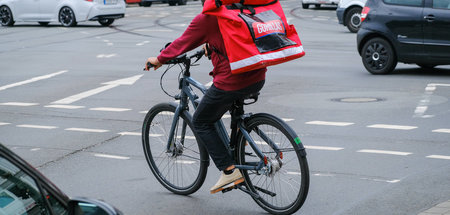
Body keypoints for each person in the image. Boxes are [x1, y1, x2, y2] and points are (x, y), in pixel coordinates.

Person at [145, 2, 266, 194]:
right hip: (257, 76)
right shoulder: (239, 11)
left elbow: (182, 43)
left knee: (201, 120)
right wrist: (212, 45)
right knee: (223, 108)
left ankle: (229, 171)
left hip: (232, 81)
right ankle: (238, 152)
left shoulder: (208, 19)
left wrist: (159, 59)